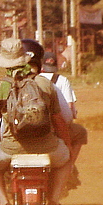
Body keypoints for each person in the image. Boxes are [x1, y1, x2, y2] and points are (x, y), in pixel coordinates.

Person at [0, 38, 73, 205]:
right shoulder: (45, 85)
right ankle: (53, 203)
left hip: (11, 149)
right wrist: (68, 146)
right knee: (66, 160)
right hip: (48, 148)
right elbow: (59, 121)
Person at [27, 43, 87, 192]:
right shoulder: (57, 83)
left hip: (20, 139)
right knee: (79, 133)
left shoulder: (9, 85)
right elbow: (68, 112)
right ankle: (70, 167)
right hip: (51, 133)